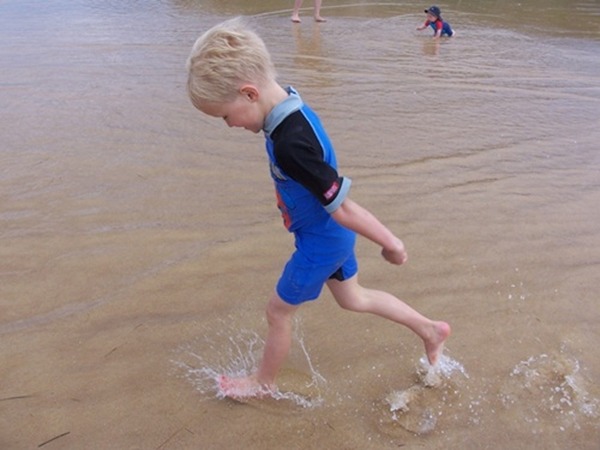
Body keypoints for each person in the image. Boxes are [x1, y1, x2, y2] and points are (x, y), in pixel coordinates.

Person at [186, 18, 451, 399]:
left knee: (278, 312)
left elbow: (343, 208)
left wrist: (392, 243)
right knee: (353, 298)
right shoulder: (288, 104)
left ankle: (263, 383)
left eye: (225, 116)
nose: (228, 125)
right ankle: (430, 330)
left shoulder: (291, 144)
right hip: (329, 237)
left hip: (321, 242)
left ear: (249, 93)